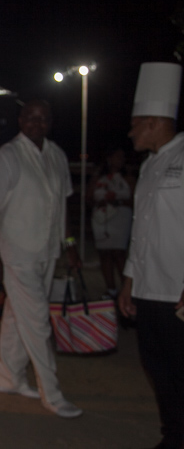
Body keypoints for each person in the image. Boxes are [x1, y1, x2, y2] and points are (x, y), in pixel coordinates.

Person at [0, 99, 83, 419]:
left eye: (44, 118)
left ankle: (9, 378)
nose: (37, 123)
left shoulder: (56, 155)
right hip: (17, 253)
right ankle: (52, 394)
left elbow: (63, 205)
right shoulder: (8, 155)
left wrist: (69, 244)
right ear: (21, 120)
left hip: (47, 249)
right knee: (37, 321)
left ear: (51, 122)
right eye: (31, 117)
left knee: (17, 316)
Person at [118, 62, 184, 449]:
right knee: (158, 369)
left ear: (154, 123)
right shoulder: (147, 167)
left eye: (135, 124)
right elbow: (140, 231)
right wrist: (129, 281)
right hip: (147, 289)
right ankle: (172, 436)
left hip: (177, 290)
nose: (130, 133)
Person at [86, 147, 134, 298]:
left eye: (122, 157)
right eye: (117, 157)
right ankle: (110, 288)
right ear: (109, 158)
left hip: (121, 217)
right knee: (105, 253)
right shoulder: (99, 177)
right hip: (102, 218)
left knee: (119, 253)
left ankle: (126, 289)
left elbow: (134, 200)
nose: (120, 160)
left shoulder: (128, 178)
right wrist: (100, 202)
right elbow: (89, 198)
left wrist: (117, 201)